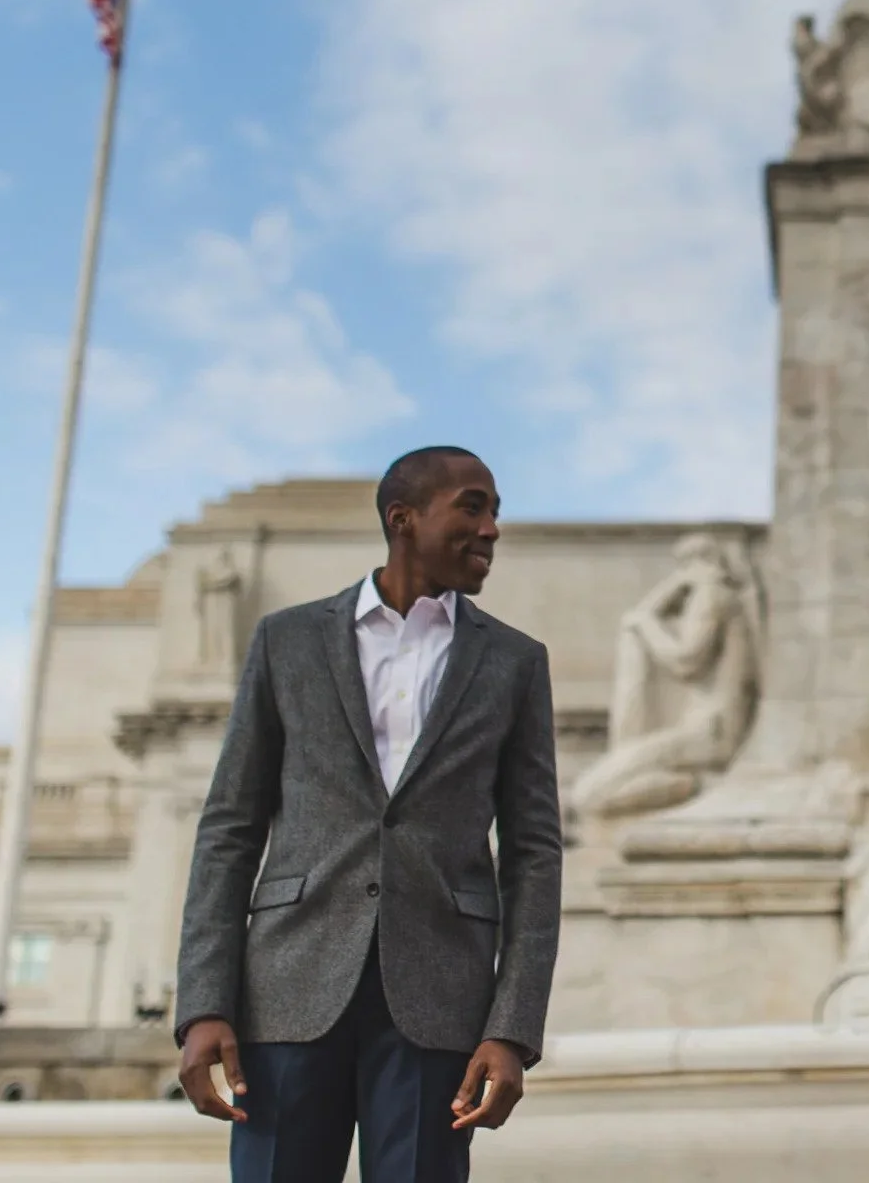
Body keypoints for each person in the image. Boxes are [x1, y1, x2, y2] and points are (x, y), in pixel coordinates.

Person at [171, 446, 563, 1183]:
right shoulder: (285, 641)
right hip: (287, 990)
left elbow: (535, 853)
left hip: (438, 1000)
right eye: (474, 506)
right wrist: (202, 1005)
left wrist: (512, 1029)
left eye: (496, 512)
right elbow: (229, 828)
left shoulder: (515, 662)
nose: (492, 530)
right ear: (403, 519)